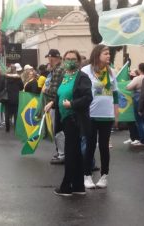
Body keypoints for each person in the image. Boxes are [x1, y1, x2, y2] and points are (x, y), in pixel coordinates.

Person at [45, 50, 92, 196]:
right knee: (76, 153)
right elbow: (60, 95)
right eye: (67, 59)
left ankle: (66, 187)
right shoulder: (64, 77)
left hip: (75, 119)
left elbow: (87, 98)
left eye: (73, 59)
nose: (70, 61)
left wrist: (72, 104)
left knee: (70, 153)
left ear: (78, 61)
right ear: (64, 61)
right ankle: (78, 186)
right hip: (64, 119)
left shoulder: (82, 78)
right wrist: (52, 103)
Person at [81, 44, 119, 189]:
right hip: (91, 115)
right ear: (97, 55)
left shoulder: (111, 72)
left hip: (107, 115)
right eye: (106, 53)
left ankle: (104, 176)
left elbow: (115, 93)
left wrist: (116, 113)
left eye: (109, 53)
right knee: (90, 146)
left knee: (104, 147)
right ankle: (87, 176)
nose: (108, 56)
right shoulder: (86, 70)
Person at [42, 49, 65, 164]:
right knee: (58, 129)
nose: (48, 60)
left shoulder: (58, 70)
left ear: (52, 58)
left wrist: (45, 90)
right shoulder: (60, 69)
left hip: (55, 103)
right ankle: (60, 152)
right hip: (59, 103)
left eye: (49, 58)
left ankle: (62, 154)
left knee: (58, 130)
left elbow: (55, 90)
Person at [127, 63, 144, 147]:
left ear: (140, 69)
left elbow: (128, 87)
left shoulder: (138, 78)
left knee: (140, 120)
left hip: (138, 98)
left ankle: (143, 139)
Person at [3, 64, 24, 132]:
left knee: (7, 113)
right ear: (15, 70)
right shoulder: (18, 78)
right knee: (16, 113)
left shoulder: (6, 77)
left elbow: (2, 86)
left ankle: (7, 127)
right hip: (16, 97)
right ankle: (16, 127)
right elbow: (22, 87)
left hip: (7, 98)